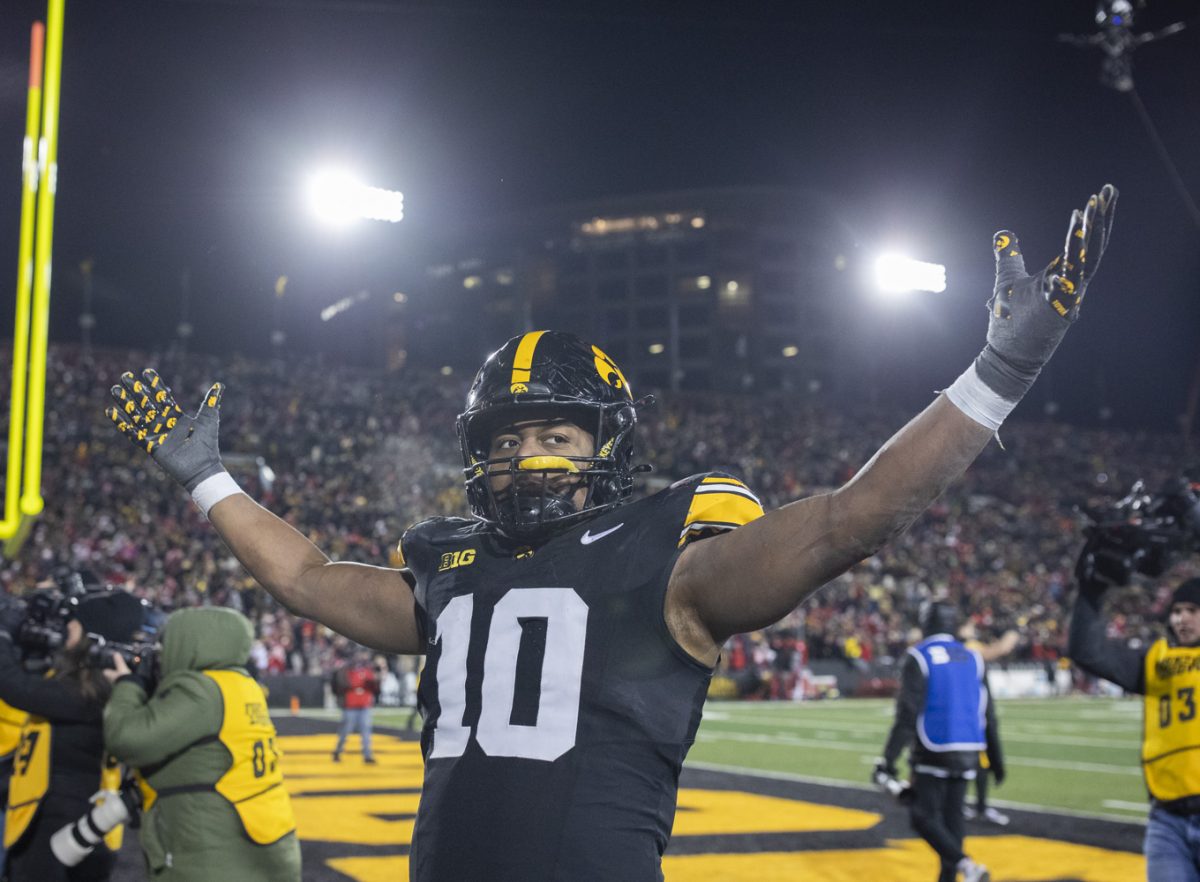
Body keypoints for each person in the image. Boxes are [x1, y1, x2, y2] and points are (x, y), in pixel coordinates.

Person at [106, 185, 1117, 881]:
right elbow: (310, 575)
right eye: (509, 440)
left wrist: (997, 377)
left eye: (556, 432)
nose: (531, 457)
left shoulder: (669, 557)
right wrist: (206, 478)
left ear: (611, 446)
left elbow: (851, 520)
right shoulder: (449, 568)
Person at [102, 606, 301, 882]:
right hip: (265, 841)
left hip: (215, 852)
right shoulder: (243, 684)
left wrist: (128, 684)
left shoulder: (201, 689)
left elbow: (125, 739)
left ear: (187, 641)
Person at [0, 589, 147, 882]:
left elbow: (13, 685)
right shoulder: (105, 690)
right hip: (83, 821)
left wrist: (4, 633)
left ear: (91, 638)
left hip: (58, 825)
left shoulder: (89, 694)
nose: (67, 629)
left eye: (75, 623)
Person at [1069, 559, 1200, 881]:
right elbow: (1088, 652)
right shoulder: (1157, 659)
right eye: (1176, 610)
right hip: (1167, 817)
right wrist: (1091, 589)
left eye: (1192, 610)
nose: (1181, 618)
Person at [877, 602, 999, 882]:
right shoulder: (973, 657)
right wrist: (996, 758)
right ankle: (953, 873)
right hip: (970, 748)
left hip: (934, 748)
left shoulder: (919, 656)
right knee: (953, 822)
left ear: (926, 623)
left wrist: (888, 759)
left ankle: (966, 865)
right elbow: (989, 714)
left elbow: (907, 714)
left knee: (922, 816)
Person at [958, 620, 1019, 826]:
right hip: (973, 710)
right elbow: (993, 651)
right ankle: (971, 806)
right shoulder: (966, 646)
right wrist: (1008, 639)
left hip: (965, 708)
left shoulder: (956, 646)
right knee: (974, 760)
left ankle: (973, 805)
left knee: (976, 761)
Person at [331, 650, 378, 763]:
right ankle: (338, 750)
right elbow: (343, 684)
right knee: (346, 730)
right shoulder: (346, 671)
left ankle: (367, 755)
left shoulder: (368, 671)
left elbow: (374, 685)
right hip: (350, 705)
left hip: (364, 705)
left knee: (366, 731)